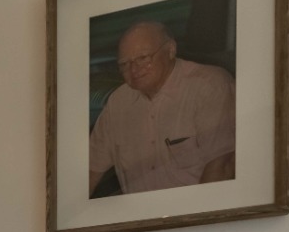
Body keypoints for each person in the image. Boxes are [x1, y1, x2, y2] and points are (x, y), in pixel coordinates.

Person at [89, 20, 235, 197]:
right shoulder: (118, 103)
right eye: (125, 64)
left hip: (195, 209)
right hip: (139, 212)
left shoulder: (209, 86)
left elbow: (222, 166)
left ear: (171, 50)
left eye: (143, 58)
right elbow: (90, 170)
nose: (134, 70)